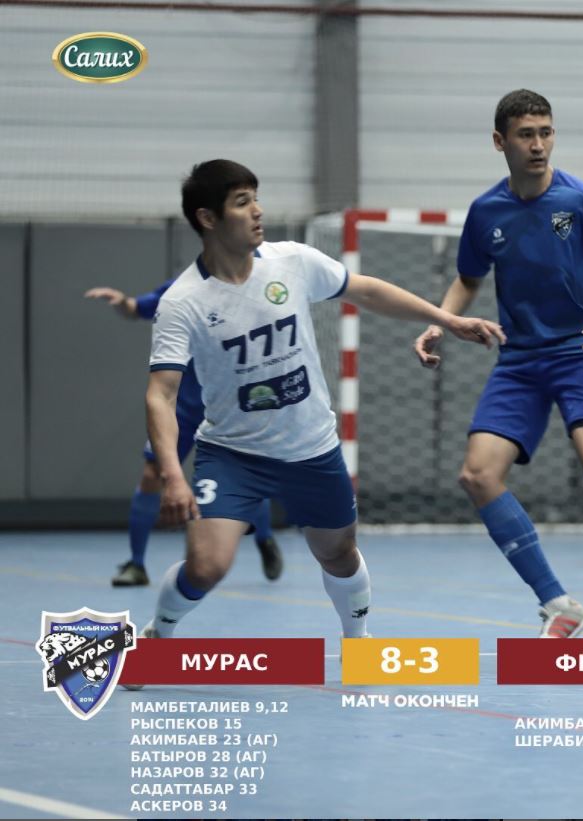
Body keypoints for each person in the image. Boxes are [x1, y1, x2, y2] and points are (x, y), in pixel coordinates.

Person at [130, 159, 505, 665]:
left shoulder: (291, 261)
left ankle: (358, 643)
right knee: (206, 565)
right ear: (208, 218)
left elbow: (365, 288)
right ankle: (159, 634)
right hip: (233, 454)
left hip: (311, 448)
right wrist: (173, 476)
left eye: (256, 198)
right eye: (242, 203)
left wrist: (447, 319)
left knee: (338, 553)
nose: (258, 211)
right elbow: (161, 395)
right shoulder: (184, 302)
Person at [414, 89, 583, 638]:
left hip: (581, 352)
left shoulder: (581, 200)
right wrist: (441, 320)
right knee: (477, 475)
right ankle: (559, 605)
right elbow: (468, 278)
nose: (538, 145)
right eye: (526, 135)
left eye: (546, 133)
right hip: (519, 361)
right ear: (500, 142)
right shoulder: (486, 211)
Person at [86, 281, 284, 586]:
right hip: (185, 407)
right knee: (152, 474)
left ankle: (264, 538)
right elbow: (136, 308)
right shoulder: (183, 288)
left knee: (246, 480)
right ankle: (136, 564)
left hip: (230, 407)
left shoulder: (254, 288)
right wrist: (122, 301)